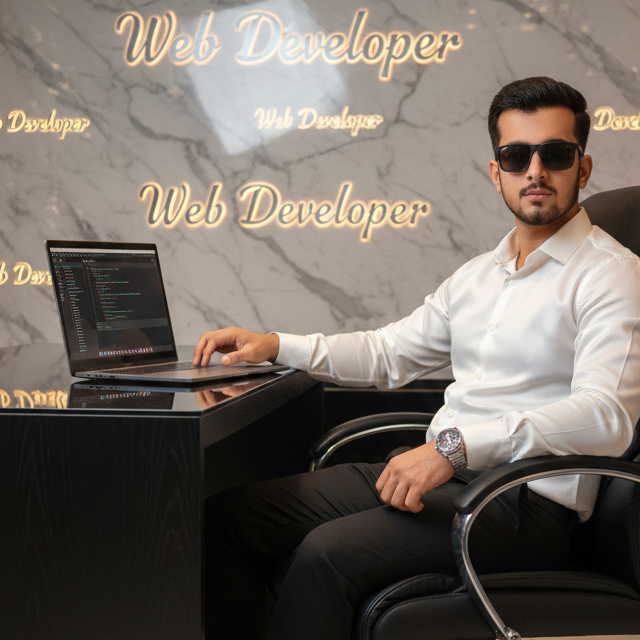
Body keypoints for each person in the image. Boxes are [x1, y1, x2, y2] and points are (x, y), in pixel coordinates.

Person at [193, 77, 640, 640]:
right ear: (495, 171)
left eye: (554, 154)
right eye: (516, 156)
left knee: (324, 556)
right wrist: (277, 345)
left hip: (522, 505)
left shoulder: (611, 274)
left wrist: (454, 447)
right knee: (230, 519)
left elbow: (606, 416)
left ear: (583, 166)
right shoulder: (477, 275)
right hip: (444, 478)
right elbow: (390, 351)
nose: (535, 171)